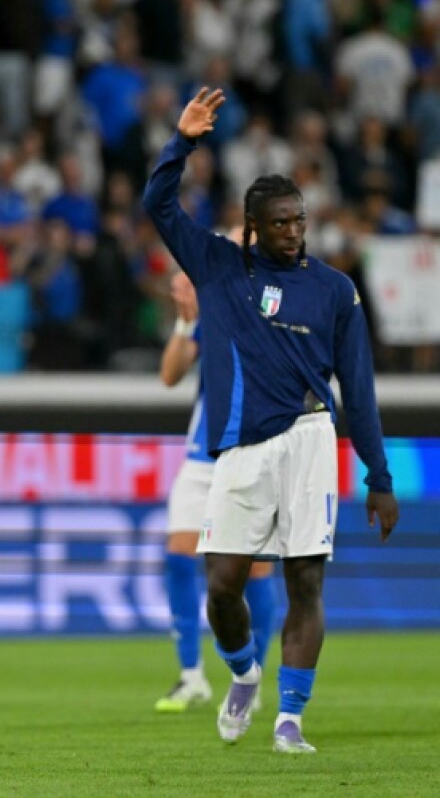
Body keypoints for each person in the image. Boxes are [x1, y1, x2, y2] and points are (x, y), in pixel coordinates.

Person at [143, 88, 399, 754]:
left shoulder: (336, 289)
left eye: (299, 221)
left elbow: (361, 388)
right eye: (280, 223)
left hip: (313, 438)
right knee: (222, 588)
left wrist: (379, 473)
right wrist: (184, 141)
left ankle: (291, 718)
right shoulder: (219, 266)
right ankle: (244, 673)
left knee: (304, 580)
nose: (293, 232)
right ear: (252, 227)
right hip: (239, 452)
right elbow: (158, 206)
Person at [156, 270, 277, 713]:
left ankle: (250, 682)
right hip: (201, 455)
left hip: (255, 455)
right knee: (178, 554)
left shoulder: (276, 312)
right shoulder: (214, 315)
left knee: (257, 571)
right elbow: (170, 375)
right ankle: (191, 677)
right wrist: (186, 321)